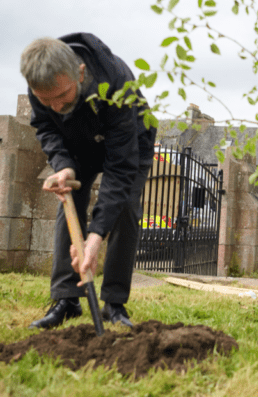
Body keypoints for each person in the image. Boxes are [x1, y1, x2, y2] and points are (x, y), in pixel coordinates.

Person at [20, 33, 156, 329]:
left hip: (131, 141)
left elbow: (120, 168)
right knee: (67, 200)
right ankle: (67, 299)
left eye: (63, 96)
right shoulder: (41, 82)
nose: (55, 106)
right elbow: (44, 125)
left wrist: (95, 238)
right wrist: (64, 167)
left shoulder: (117, 83)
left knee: (125, 209)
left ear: (79, 74)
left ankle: (114, 304)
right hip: (77, 142)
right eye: (46, 100)